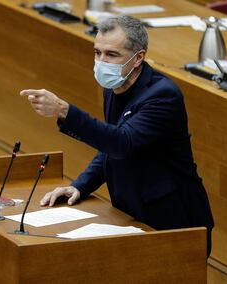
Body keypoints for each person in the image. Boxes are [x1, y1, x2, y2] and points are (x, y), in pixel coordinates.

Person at [20, 15, 214, 256]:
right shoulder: (115, 87)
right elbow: (109, 148)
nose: (101, 61)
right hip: (131, 212)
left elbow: (123, 143)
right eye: (97, 52)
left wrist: (63, 110)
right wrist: (81, 185)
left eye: (111, 55)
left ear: (138, 57)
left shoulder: (163, 96)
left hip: (173, 220)